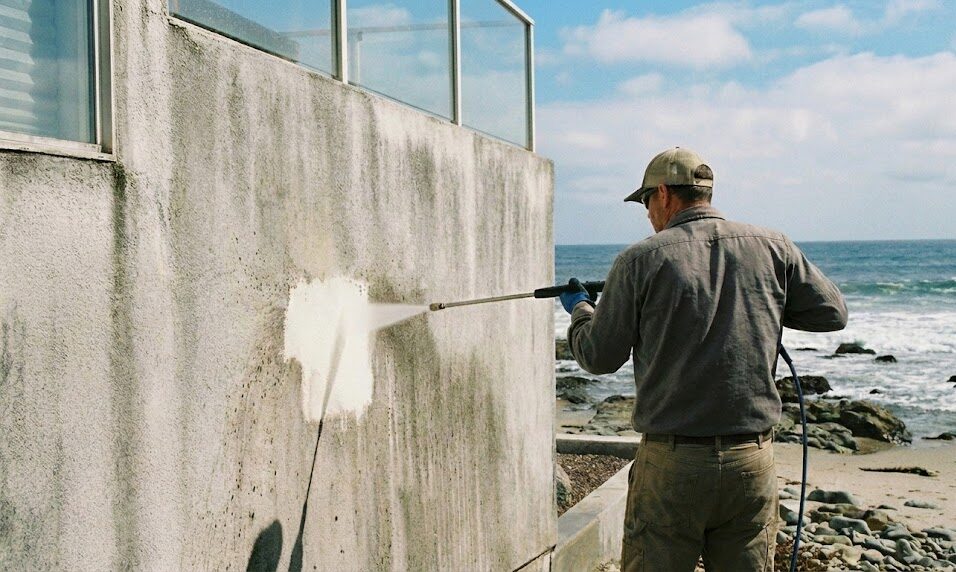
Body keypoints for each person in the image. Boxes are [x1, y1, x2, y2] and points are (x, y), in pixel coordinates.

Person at [558, 147, 847, 571]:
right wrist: (758, 301)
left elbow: (597, 356)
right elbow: (832, 313)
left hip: (673, 466)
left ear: (664, 194)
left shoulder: (639, 260)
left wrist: (581, 309)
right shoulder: (772, 246)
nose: (647, 213)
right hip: (751, 461)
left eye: (645, 202)